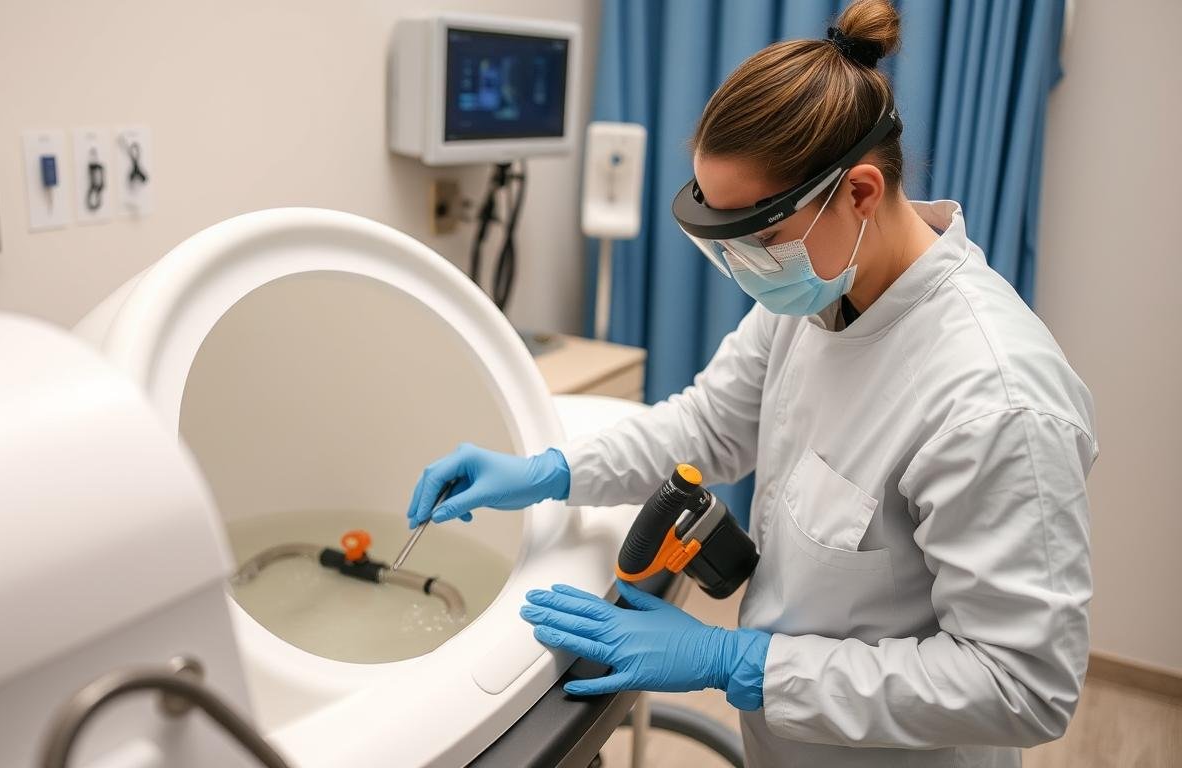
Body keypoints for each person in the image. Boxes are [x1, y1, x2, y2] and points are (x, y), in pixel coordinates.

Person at [405, 1, 1096, 764]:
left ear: (861, 193)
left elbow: (1023, 684)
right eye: (725, 241)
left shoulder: (996, 401)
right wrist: (551, 471)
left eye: (762, 237)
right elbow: (705, 427)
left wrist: (740, 662)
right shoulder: (822, 292)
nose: (744, 268)